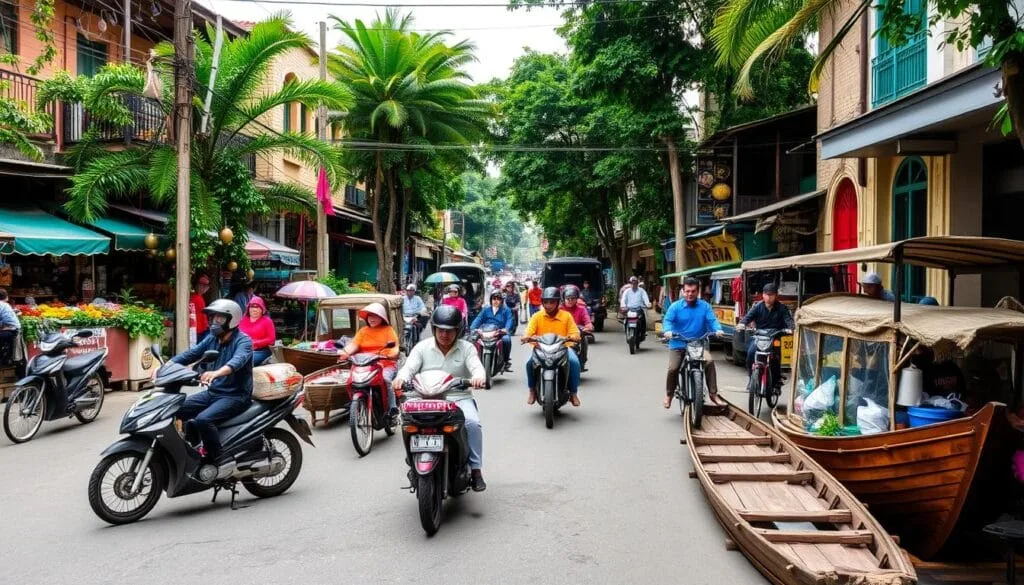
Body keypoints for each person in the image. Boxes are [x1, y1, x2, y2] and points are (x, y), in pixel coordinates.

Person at [394, 305, 488, 491]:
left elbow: (476, 367)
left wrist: (479, 378)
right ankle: (412, 460)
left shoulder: (467, 348)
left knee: (472, 424)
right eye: (440, 330)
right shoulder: (422, 347)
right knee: (407, 422)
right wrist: (400, 379)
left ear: (457, 330)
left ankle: (476, 469)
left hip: (457, 397)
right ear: (434, 328)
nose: (444, 335)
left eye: (449, 331)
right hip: (423, 397)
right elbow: (408, 367)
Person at [172, 300, 254, 461]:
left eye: (220, 319)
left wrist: (216, 373)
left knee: (203, 420)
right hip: (214, 392)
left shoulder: (243, 341)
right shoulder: (212, 338)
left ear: (232, 320)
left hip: (236, 396)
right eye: (213, 318)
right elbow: (191, 354)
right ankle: (193, 449)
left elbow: (237, 361)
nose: (214, 322)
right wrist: (166, 365)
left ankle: (216, 457)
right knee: (175, 408)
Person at [662, 277, 726, 409]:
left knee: (709, 362)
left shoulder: (705, 306)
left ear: (698, 291)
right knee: (673, 368)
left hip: (698, 344)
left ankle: (713, 394)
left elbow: (712, 320)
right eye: (687, 291)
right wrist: (667, 331)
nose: (689, 294)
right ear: (683, 291)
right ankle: (669, 395)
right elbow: (667, 321)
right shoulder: (675, 307)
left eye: (693, 291)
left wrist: (718, 329)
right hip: (678, 344)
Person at [337, 302, 402, 417]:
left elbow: (395, 347)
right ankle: (354, 402)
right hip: (364, 365)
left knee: (386, 380)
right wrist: (345, 352)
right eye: (370, 316)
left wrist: (391, 354)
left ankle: (392, 408)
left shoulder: (388, 330)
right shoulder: (363, 331)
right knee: (351, 380)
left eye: (375, 316)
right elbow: (354, 345)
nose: (372, 319)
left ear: (382, 318)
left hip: (385, 364)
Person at [522, 286, 582, 406]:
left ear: (558, 302)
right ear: (542, 302)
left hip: (563, 347)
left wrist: (573, 337)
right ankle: (532, 390)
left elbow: (575, 333)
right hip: (541, 348)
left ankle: (573, 393)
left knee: (574, 362)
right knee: (529, 363)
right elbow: (528, 333)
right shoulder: (537, 316)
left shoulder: (566, 316)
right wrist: (526, 337)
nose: (549, 305)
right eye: (546, 302)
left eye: (552, 302)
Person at [738, 283, 795, 385]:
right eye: (767, 295)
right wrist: (742, 324)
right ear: (763, 295)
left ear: (775, 295)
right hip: (760, 336)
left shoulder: (782, 308)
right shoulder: (757, 306)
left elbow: (788, 320)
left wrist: (791, 328)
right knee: (751, 353)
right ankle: (752, 378)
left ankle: (776, 380)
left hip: (775, 336)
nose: (769, 297)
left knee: (776, 357)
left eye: (771, 295)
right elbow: (747, 317)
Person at [470, 291, 514, 369]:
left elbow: (509, 321)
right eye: (494, 299)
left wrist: (505, 329)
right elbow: (478, 319)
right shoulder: (485, 310)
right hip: (485, 332)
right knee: (472, 339)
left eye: (498, 299)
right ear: (491, 300)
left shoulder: (506, 310)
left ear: (501, 301)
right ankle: (474, 360)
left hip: (500, 332)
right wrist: (473, 328)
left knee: (507, 340)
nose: (496, 301)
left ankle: (506, 360)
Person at [560, 285, 593, 369]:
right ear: (563, 298)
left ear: (576, 299)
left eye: (573, 298)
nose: (570, 301)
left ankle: (582, 361)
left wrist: (588, 326)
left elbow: (587, 321)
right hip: (560, 335)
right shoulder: (559, 309)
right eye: (568, 299)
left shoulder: (581, 309)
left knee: (584, 340)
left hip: (577, 334)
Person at [239, 296, 276, 366]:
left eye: (257, 307)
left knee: (246, 362)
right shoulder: (243, 320)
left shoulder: (267, 321)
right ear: (248, 308)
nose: (254, 309)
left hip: (262, 351)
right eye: (252, 307)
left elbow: (272, 339)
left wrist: (255, 344)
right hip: (243, 349)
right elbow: (237, 334)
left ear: (262, 309)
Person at [620, 276, 651, 340]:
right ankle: (626, 330)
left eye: (635, 283)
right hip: (629, 309)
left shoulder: (642, 291)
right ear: (630, 284)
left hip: (638, 309)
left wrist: (648, 304)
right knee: (626, 319)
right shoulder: (627, 291)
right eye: (632, 283)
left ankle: (643, 332)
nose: (633, 284)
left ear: (637, 283)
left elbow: (645, 298)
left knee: (643, 319)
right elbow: (623, 300)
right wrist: (623, 306)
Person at [0, 288, 19, 365]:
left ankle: (5, 360)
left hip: (10, 330)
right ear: (6, 297)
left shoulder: (2, 304)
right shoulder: (5, 305)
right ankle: (6, 360)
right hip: (13, 329)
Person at [190, 275, 211, 341]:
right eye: (202, 284)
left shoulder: (199, 297)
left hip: (200, 330)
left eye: (206, 285)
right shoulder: (195, 297)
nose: (204, 287)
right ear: (196, 285)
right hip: (198, 331)